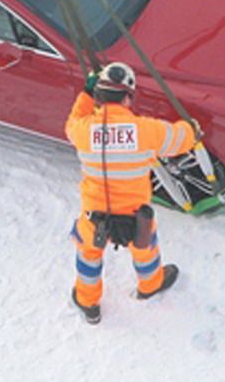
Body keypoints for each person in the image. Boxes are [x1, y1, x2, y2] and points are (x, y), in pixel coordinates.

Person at [65, 62, 196, 325]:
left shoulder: (82, 131)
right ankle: (150, 284)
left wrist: (87, 93)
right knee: (145, 250)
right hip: (137, 217)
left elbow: (73, 121)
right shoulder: (146, 130)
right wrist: (191, 128)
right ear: (128, 97)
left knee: (88, 255)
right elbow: (183, 137)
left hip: (94, 217)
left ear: (100, 97)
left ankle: (88, 302)